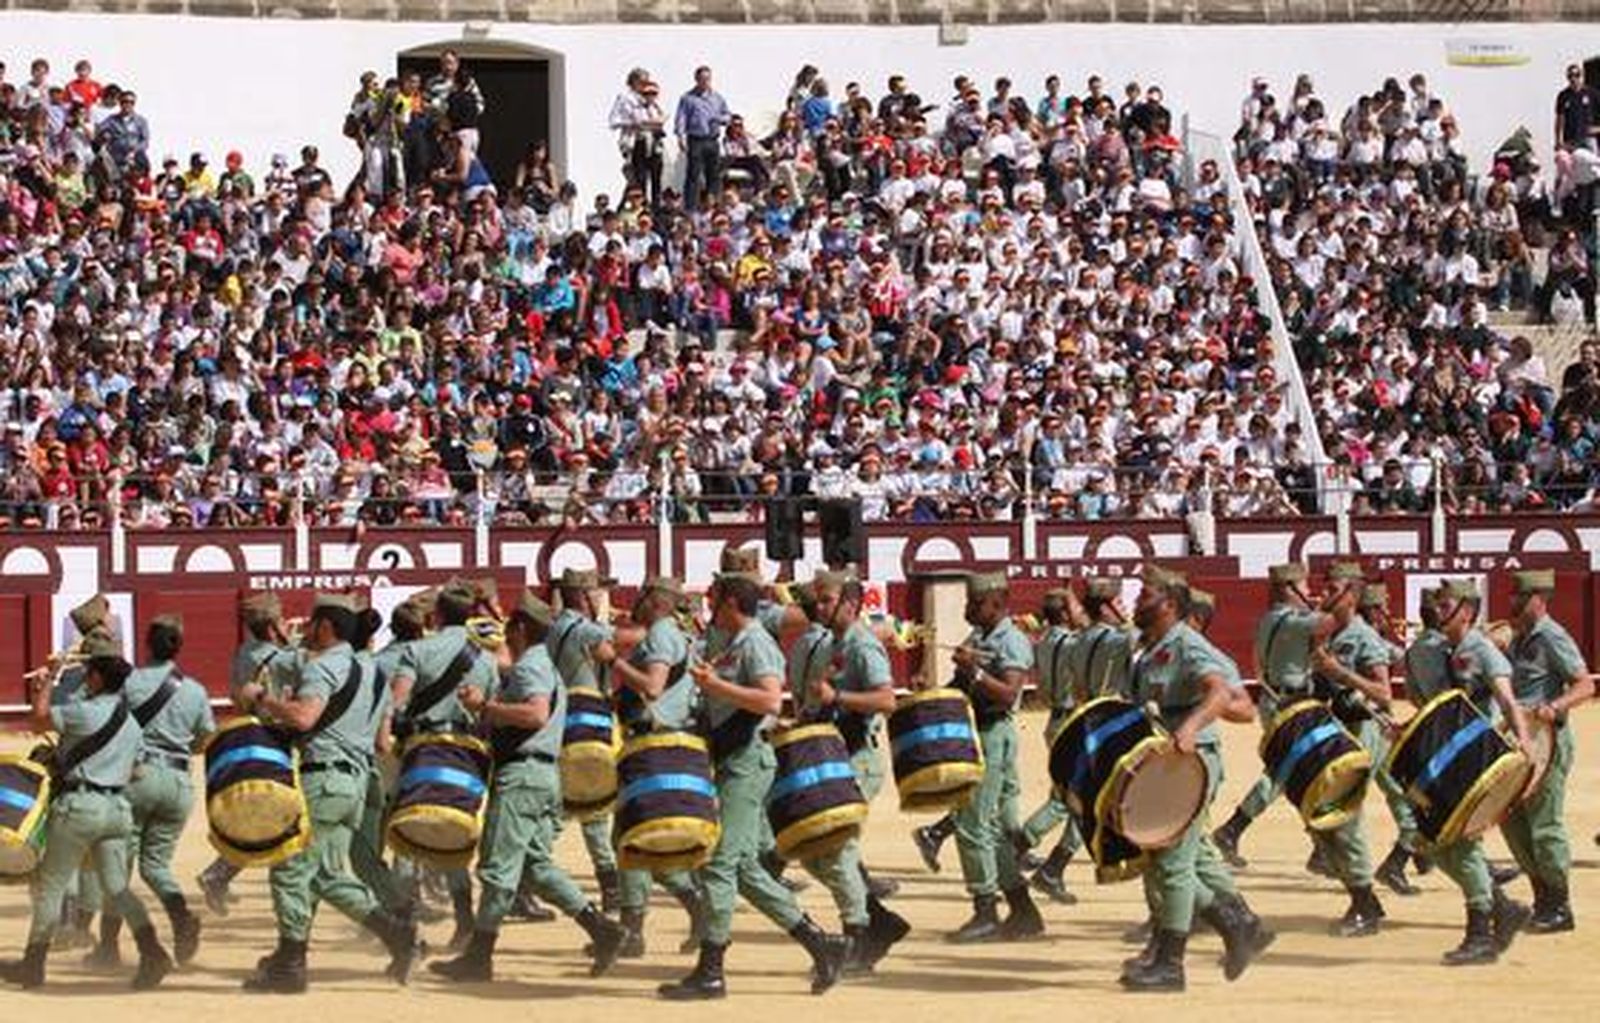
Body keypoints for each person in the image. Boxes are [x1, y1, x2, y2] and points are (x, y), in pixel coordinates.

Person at [658, 572, 846, 1000]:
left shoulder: (756, 642)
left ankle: (711, 969)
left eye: (715, 599)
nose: (709, 606)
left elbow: (769, 699)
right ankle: (821, 943)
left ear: (731, 603)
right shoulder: (735, 643)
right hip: (734, 759)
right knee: (742, 869)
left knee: (719, 864)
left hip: (747, 761)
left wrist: (715, 685)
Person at [430, 591, 625, 981]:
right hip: (541, 775)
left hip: (522, 776)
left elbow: (535, 714)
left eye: (510, 628)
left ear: (520, 628)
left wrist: (485, 707)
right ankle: (602, 930)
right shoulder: (544, 665)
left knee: (497, 867)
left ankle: (479, 955)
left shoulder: (530, 667)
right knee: (534, 866)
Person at [241, 594, 421, 992]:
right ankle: (294, 953)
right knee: (324, 873)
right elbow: (381, 742)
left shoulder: (322, 668)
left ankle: (295, 962)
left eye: (311, 622)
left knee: (290, 869)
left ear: (326, 626)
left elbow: (304, 717)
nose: (305, 629)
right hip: (356, 784)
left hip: (322, 780)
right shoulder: (374, 673)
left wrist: (263, 699)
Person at [1120, 566, 1271, 992]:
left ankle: (1172, 963)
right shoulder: (1151, 646)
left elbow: (1225, 695)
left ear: (1169, 603)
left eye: (1144, 594)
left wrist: (1190, 726)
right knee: (1176, 857)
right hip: (1162, 760)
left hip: (1187, 763)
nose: (1136, 601)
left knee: (1173, 862)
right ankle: (1238, 925)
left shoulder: (1186, 644)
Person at [1, 637, 173, 990]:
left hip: (80, 807)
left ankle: (33, 964)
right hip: (117, 810)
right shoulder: (130, 723)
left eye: (88, 674)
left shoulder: (82, 712)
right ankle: (152, 950)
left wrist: (46, 684)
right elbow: (136, 770)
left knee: (51, 885)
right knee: (118, 889)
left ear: (95, 678)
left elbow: (38, 720)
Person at [84, 614, 213, 970]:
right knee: (156, 866)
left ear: (146, 643)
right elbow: (205, 738)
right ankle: (182, 918)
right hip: (179, 783)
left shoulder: (129, 684)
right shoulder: (196, 690)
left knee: (118, 867)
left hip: (136, 778)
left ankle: (108, 947)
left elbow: (102, 718)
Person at [796, 571, 909, 973]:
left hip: (860, 758)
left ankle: (858, 936)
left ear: (850, 604)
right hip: (839, 757)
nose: (818, 606)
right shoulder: (835, 644)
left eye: (826, 600)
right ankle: (878, 921)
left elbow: (886, 700)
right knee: (817, 853)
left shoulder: (862, 645)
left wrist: (836, 696)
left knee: (836, 848)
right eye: (818, 599)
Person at [1416, 579, 1533, 966]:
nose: (1437, 609)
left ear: (1466, 611)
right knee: (1433, 843)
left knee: (1459, 845)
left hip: (1476, 759)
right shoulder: (1441, 650)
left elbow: (1507, 701)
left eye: (1445, 604)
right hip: (1447, 758)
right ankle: (1503, 907)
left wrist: (1524, 742)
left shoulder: (1482, 649)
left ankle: (1481, 933)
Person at [388, 581, 500, 949]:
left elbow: (397, 704)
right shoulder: (486, 659)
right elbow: (490, 710)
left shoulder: (418, 651)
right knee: (454, 835)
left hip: (425, 751)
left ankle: (404, 924)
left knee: (408, 835)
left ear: (436, 615)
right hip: (468, 755)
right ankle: (464, 920)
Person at [607, 576, 709, 957]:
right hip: (662, 745)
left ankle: (633, 930)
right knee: (641, 837)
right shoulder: (671, 634)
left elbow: (652, 687)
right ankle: (690, 908)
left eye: (642, 596)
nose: (635, 602)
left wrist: (614, 661)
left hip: (653, 746)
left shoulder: (661, 635)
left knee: (632, 835)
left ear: (656, 601)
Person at [1212, 562, 1338, 867]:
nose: (1309, 591)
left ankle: (1320, 846)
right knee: (1286, 774)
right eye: (1304, 586)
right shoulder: (1294, 621)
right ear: (1290, 589)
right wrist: (1337, 598)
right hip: (1290, 703)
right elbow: (1331, 622)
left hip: (1276, 700)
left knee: (1298, 771)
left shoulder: (1270, 618)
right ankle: (1233, 829)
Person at [944, 572, 1044, 944]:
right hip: (976, 731)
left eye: (976, 602)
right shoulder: (979, 637)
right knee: (993, 830)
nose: (968, 608)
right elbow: (963, 685)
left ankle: (986, 911)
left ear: (997, 603)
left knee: (972, 824)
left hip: (993, 732)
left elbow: (1008, 693)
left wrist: (974, 670)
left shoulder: (1011, 639)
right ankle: (1022, 909)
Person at [1307, 563, 1396, 936]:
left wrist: (1339, 672)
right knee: (1320, 819)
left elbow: (1384, 693)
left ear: (1352, 596)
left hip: (1360, 734)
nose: (1324, 592)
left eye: (1333, 588)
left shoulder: (1364, 637)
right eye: (1325, 586)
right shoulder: (1327, 633)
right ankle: (1364, 898)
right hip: (1334, 734)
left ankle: (1364, 905)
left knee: (1343, 819)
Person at [1502, 569, 1594, 933]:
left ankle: (1559, 904)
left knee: (1544, 824)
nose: (1514, 602)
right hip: (1521, 742)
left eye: (1520, 598)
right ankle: (1542, 896)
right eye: (1513, 596)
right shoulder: (1520, 638)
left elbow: (1585, 685)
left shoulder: (1552, 636)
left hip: (1548, 743)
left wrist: (1555, 707)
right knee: (1513, 823)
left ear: (1539, 599)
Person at [196, 593, 295, 915]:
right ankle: (221, 873)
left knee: (263, 809)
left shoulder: (243, 652)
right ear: (272, 626)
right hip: (276, 738)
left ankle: (220, 873)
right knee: (277, 813)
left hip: (250, 736)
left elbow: (235, 695)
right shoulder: (284, 657)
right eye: (280, 620)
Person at [546, 568, 622, 914]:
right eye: (596, 592)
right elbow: (615, 649)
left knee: (560, 806)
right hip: (587, 722)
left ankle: (525, 877)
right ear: (583, 596)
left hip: (563, 719)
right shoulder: (587, 630)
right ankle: (610, 887)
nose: (601, 597)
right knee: (591, 803)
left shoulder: (554, 627)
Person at [1014, 586, 1086, 904]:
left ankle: (1025, 852)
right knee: (1078, 802)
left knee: (1065, 797)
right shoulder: (1074, 644)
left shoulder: (1043, 642)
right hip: (1073, 723)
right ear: (1066, 614)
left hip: (1054, 721)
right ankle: (1042, 862)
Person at [675, 65, 731, 211]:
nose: (705, 82)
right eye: (702, 79)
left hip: (712, 139)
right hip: (696, 140)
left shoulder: (717, 98)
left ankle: (713, 205)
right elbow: (681, 118)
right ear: (696, 79)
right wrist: (680, 137)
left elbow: (727, 116)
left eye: (707, 79)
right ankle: (691, 207)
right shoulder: (688, 98)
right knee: (693, 174)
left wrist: (718, 118)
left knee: (713, 174)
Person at [610, 68, 666, 207]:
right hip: (636, 141)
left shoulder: (649, 98)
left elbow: (661, 116)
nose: (645, 84)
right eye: (643, 81)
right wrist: (633, 124)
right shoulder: (625, 98)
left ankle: (654, 208)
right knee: (638, 177)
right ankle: (639, 207)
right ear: (634, 81)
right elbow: (614, 120)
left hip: (652, 141)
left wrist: (656, 121)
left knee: (655, 176)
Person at [1556, 63, 1600, 152]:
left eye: (1577, 75)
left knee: (1594, 160)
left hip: (1588, 139)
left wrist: (1598, 129)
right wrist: (1559, 140)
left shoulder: (1592, 93)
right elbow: (1560, 119)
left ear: (1582, 75)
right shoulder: (1563, 96)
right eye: (1570, 76)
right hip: (1570, 141)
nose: (1574, 78)